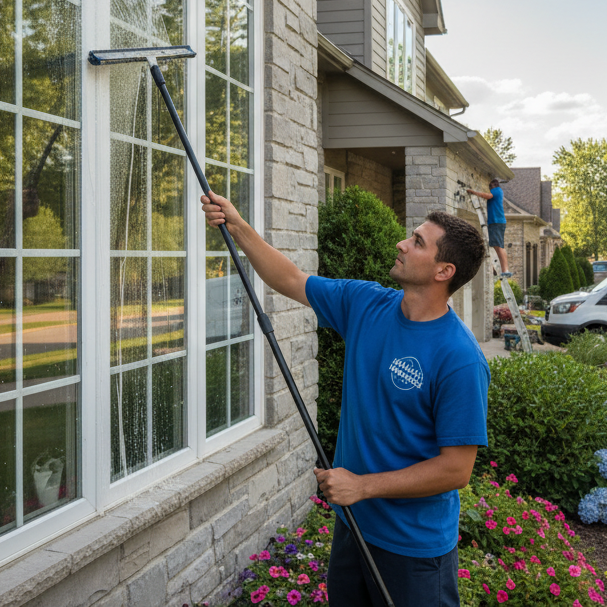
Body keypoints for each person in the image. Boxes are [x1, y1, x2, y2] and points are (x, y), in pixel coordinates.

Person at [200, 192, 489, 607]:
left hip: (413, 548)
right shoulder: (366, 304)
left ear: (445, 270)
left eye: (418, 242)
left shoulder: (460, 358)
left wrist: (362, 486)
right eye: (411, 237)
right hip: (354, 527)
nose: (402, 244)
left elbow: (456, 469)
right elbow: (291, 279)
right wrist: (237, 225)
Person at [466, 179, 510, 277]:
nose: (489, 189)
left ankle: (505, 270)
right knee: (495, 246)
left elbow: (488, 196)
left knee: (499, 246)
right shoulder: (498, 191)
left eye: (490, 186)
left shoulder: (497, 190)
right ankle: (499, 268)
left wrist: (473, 192)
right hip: (496, 222)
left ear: (493, 184)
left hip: (496, 222)